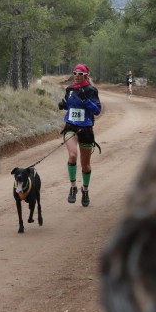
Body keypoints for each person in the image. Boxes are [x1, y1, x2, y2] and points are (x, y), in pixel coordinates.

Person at [57, 64, 101, 207]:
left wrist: (85, 99)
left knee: (86, 165)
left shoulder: (91, 90)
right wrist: (64, 106)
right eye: (75, 73)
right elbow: (70, 106)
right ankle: (73, 186)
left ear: (86, 75)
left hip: (86, 131)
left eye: (80, 73)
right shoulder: (69, 89)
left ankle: (85, 190)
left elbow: (97, 111)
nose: (76, 75)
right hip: (71, 127)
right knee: (72, 156)